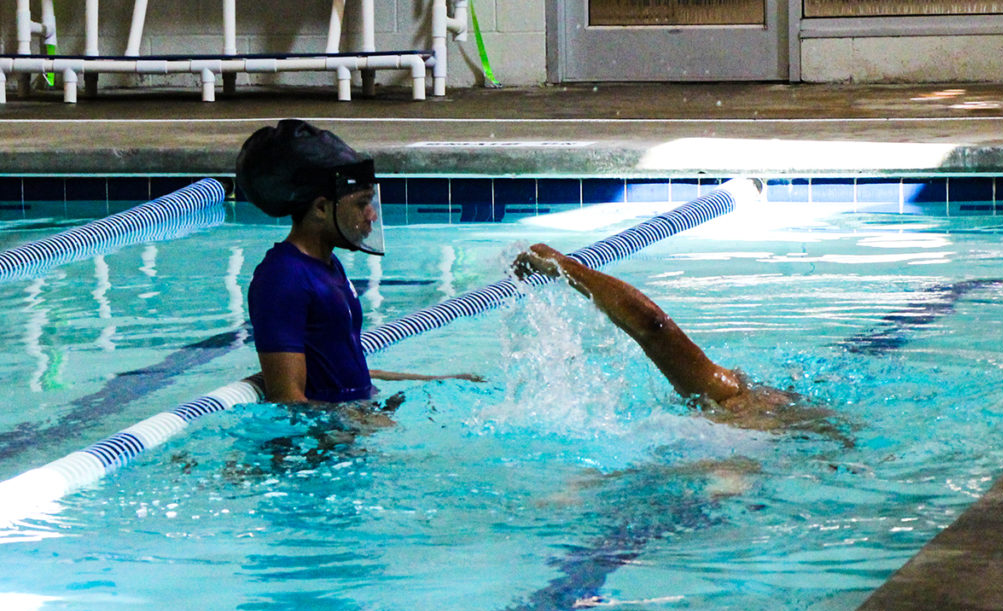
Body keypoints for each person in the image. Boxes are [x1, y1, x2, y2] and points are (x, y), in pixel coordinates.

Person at [236, 119, 478, 405]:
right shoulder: (282, 278)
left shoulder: (327, 265)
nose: (372, 216)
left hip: (351, 426)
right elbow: (287, 400)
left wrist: (436, 381)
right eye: (361, 204)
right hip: (324, 445)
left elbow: (348, 369)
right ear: (322, 208)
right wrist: (358, 423)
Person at [513, 243, 844, 437]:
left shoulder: (725, 396)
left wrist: (564, 266)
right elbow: (652, 327)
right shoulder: (728, 401)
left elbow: (652, 326)